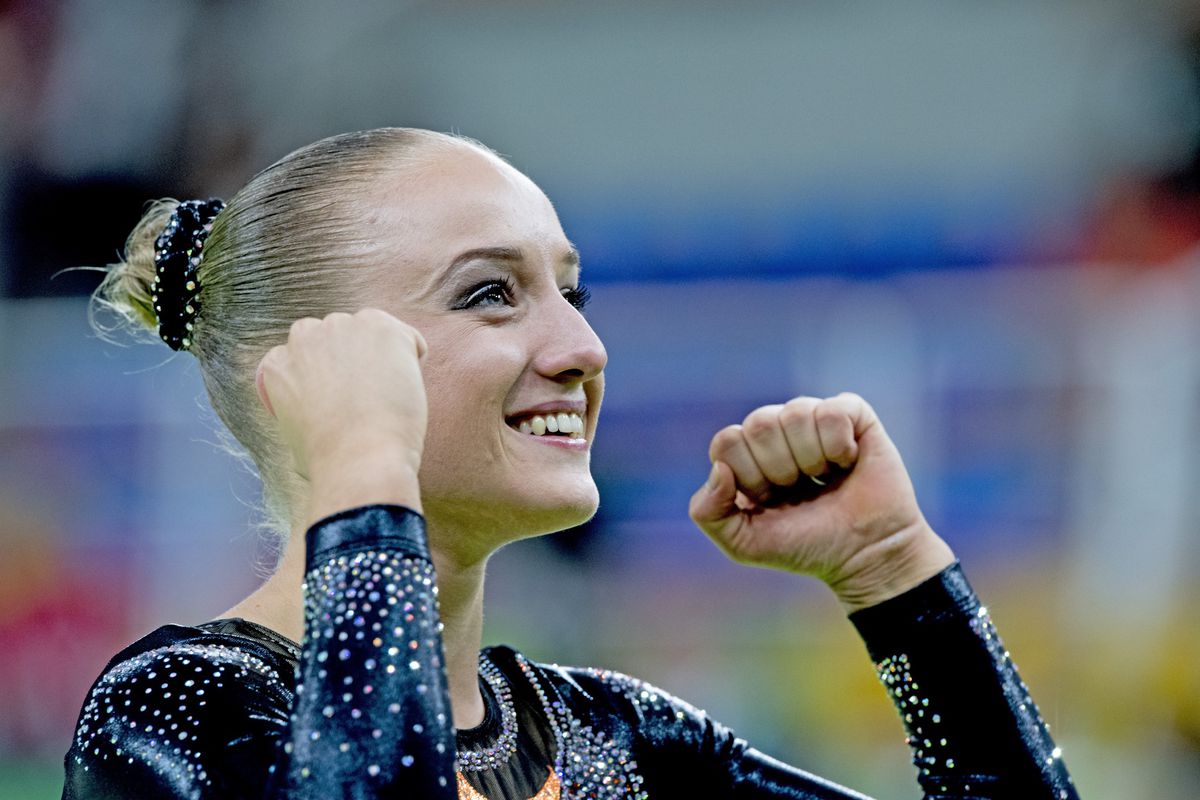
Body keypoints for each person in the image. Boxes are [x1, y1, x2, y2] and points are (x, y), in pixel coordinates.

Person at [62, 128, 1078, 799]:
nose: (581, 349)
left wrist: (898, 576)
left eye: (571, 294)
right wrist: (363, 473)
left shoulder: (610, 739)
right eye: (491, 294)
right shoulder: (179, 711)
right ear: (309, 361)